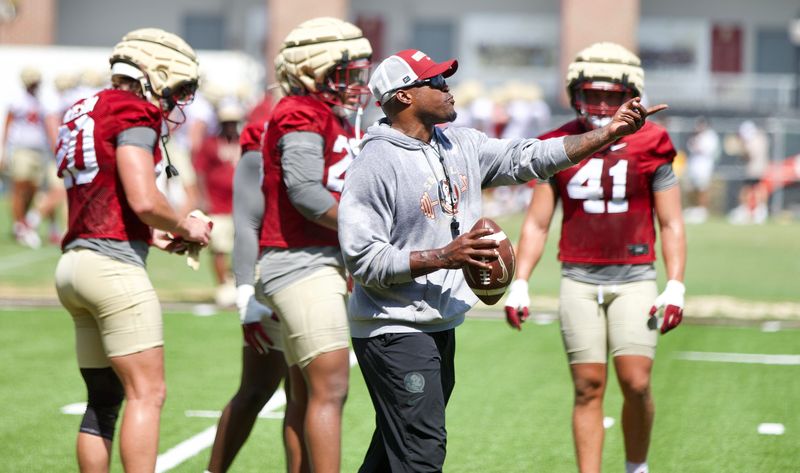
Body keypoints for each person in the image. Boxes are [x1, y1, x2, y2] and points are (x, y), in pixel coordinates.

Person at [338, 47, 666, 473]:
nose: (447, 87)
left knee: (393, 452)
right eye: (435, 81)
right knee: (421, 453)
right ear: (404, 96)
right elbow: (362, 259)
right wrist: (444, 256)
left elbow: (531, 156)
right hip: (393, 328)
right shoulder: (375, 163)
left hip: (437, 324)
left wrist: (608, 134)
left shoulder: (458, 143)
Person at [503, 42, 686, 473]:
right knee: (587, 386)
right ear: (575, 93)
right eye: (592, 93)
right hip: (579, 278)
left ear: (632, 96)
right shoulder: (557, 143)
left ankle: (636, 467)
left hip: (635, 276)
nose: (602, 105)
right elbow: (537, 223)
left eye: (611, 95)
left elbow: (671, 223)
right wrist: (520, 281)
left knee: (636, 382)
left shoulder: (653, 141)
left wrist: (675, 284)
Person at [53, 28, 212, 473]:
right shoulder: (132, 110)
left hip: (74, 265)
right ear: (156, 73)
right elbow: (144, 199)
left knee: (103, 400)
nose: (178, 100)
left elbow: (107, 196)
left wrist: (153, 235)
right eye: (178, 87)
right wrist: (185, 224)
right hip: (112, 270)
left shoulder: (83, 108)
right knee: (148, 393)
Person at [256, 17, 372, 473]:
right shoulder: (300, 111)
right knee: (331, 388)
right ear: (313, 71)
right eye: (347, 74)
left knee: (304, 393)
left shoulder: (328, 115)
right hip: (301, 262)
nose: (358, 84)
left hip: (313, 261)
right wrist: (369, 230)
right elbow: (305, 192)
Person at [206, 93, 288, 473]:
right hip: (279, 271)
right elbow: (248, 222)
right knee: (263, 389)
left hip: (316, 271)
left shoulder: (337, 122)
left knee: (306, 394)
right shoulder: (267, 126)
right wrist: (244, 292)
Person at [193, 102, 246, 306]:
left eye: (233, 122)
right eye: (227, 123)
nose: (230, 126)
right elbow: (200, 171)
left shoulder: (243, 142)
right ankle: (223, 286)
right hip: (217, 205)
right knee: (219, 248)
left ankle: (239, 285)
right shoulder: (210, 144)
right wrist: (202, 197)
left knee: (242, 247)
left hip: (241, 205)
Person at [2, 66, 51, 248]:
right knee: (20, 188)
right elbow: (7, 126)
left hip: (38, 151)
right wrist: (4, 152)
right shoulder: (17, 101)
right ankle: (20, 225)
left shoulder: (40, 102)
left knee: (33, 189)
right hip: (21, 150)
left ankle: (22, 223)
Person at [728, 120, 770, 224]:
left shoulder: (753, 140)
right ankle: (756, 211)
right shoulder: (760, 138)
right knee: (755, 189)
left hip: (754, 169)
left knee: (750, 189)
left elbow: (748, 155)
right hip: (757, 168)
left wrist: (741, 148)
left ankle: (752, 211)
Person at [683, 116, 720, 223]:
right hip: (693, 166)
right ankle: (694, 208)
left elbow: (707, 150)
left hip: (704, 167)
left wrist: (697, 146)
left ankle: (702, 210)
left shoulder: (710, 136)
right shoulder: (695, 135)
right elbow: (690, 147)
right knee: (691, 189)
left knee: (702, 189)